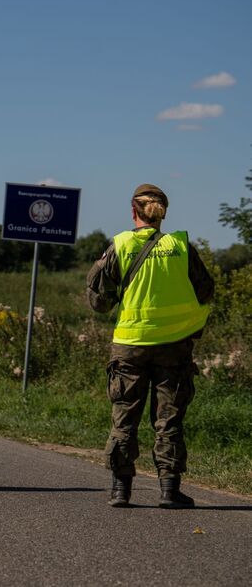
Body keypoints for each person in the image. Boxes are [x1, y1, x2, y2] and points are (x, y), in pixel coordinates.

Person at [86, 183, 214, 509]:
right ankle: (169, 491)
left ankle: (121, 490)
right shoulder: (181, 246)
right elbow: (205, 290)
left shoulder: (120, 245)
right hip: (174, 345)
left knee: (124, 417)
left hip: (130, 345)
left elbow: (99, 302)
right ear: (163, 214)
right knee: (168, 418)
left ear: (134, 211)